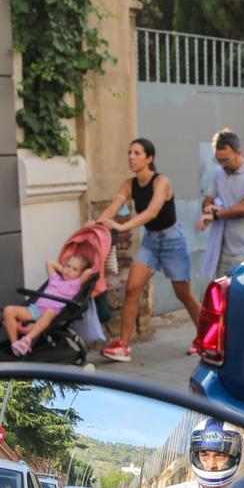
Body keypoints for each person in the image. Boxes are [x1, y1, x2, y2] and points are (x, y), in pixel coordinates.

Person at [93, 139, 203, 362]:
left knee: (183, 294)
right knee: (132, 288)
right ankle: (123, 346)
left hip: (172, 241)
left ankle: (207, 339)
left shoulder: (161, 182)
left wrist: (123, 225)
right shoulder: (129, 184)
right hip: (151, 241)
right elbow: (113, 207)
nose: (131, 157)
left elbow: (152, 212)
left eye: (137, 153)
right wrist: (97, 223)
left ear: (149, 159)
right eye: (129, 153)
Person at [197, 129, 244, 283]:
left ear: (239, 152)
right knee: (223, 304)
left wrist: (217, 214)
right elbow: (208, 200)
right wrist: (209, 208)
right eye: (219, 160)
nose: (223, 165)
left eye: (226, 160)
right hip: (224, 253)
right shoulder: (219, 173)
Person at [2, 255, 96, 356]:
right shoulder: (55, 278)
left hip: (50, 315)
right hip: (35, 310)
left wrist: (75, 272)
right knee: (8, 310)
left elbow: (89, 272)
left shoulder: (76, 284)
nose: (69, 270)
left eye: (74, 269)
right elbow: (49, 263)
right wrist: (63, 269)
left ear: (80, 274)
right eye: (68, 266)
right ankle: (16, 345)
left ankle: (27, 339)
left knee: (50, 311)